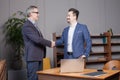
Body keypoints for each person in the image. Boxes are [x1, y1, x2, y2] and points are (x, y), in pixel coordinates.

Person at [22, 5, 54, 80]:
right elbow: (37, 39)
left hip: (38, 57)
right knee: (33, 78)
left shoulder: (34, 25)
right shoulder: (27, 26)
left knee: (39, 78)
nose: (38, 14)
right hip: (33, 58)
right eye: (37, 12)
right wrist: (50, 43)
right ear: (30, 14)